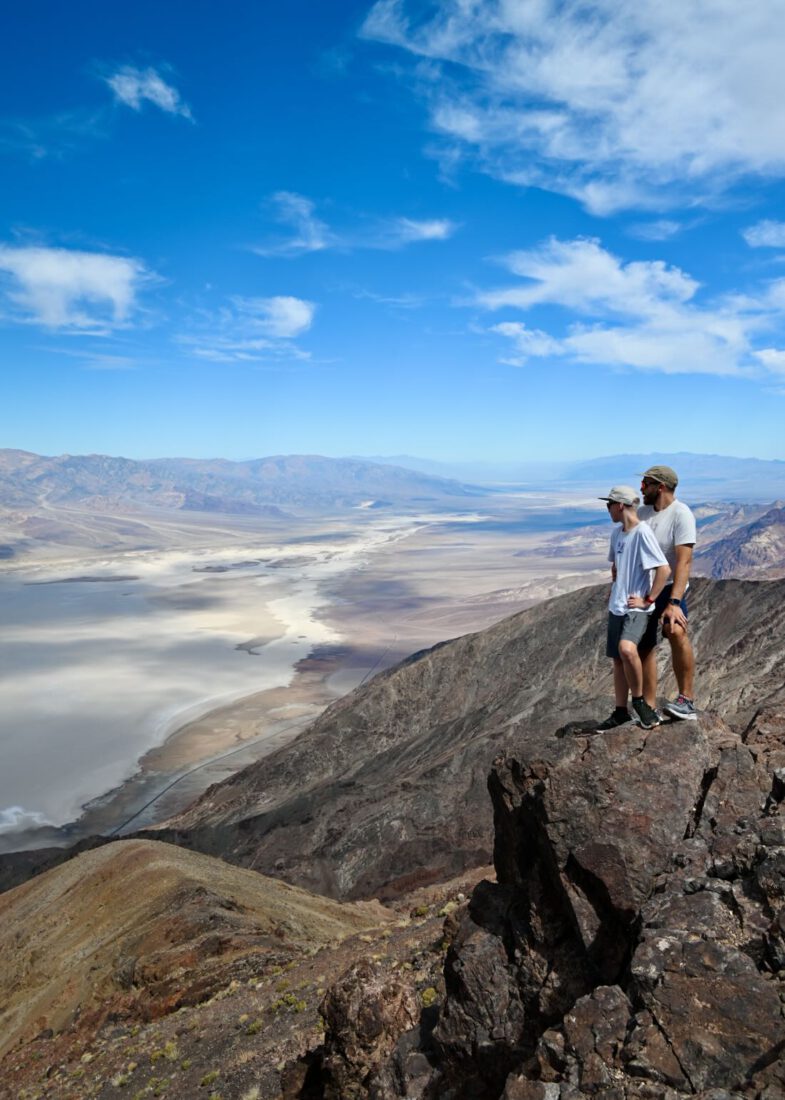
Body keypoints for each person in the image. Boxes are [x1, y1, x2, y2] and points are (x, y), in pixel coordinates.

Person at [596, 486, 670, 732]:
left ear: (619, 505)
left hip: (635, 609)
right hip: (617, 606)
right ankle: (620, 712)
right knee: (618, 660)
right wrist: (616, 588)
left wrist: (648, 600)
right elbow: (616, 567)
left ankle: (639, 703)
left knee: (628, 649)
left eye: (609, 504)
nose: (607, 509)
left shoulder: (642, 533)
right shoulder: (617, 534)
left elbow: (664, 569)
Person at [637, 465, 698, 721]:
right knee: (643, 645)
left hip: (669, 587)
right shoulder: (641, 513)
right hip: (644, 588)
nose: (641, 488)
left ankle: (687, 699)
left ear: (659, 487)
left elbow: (683, 561)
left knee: (675, 629)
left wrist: (674, 601)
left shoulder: (681, 514)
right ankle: (648, 706)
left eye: (646, 483)